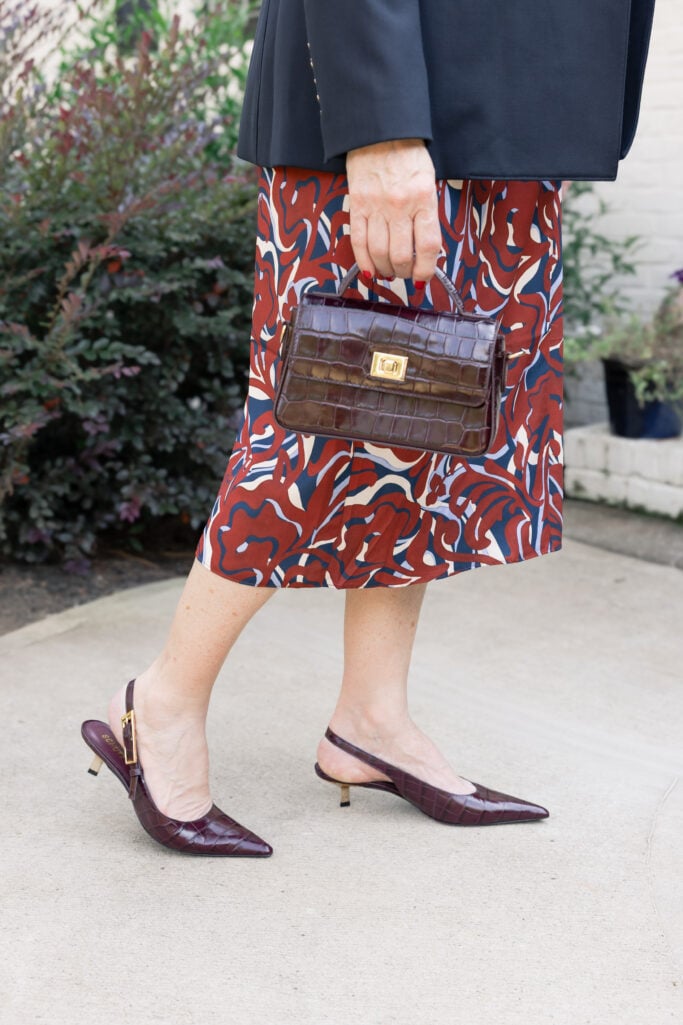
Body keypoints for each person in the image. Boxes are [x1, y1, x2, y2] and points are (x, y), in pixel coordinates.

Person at [81, 0, 656, 856]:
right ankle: (160, 703)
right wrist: (378, 123)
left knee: (431, 419)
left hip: (506, 117)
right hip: (396, 114)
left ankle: (370, 719)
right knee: (320, 421)